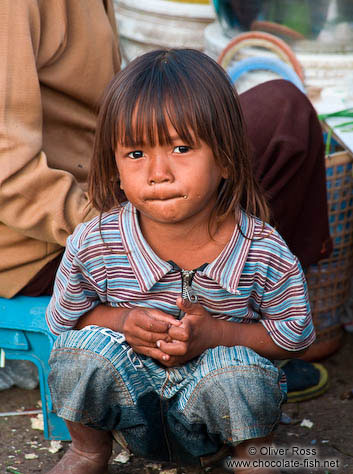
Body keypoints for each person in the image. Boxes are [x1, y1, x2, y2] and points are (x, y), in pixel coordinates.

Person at [46, 49, 316, 474]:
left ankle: (253, 459)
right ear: (114, 168)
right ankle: (87, 451)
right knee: (77, 353)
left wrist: (216, 334)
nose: (158, 173)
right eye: (135, 154)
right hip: (129, 410)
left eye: (181, 147)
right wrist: (121, 321)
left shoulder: (261, 250)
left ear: (225, 157)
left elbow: (294, 337)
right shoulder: (95, 243)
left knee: (240, 371)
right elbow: (64, 321)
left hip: (220, 423)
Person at [0, 0, 120, 388]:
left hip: (96, 198)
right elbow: (5, 168)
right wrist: (117, 236)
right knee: (280, 119)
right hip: (36, 242)